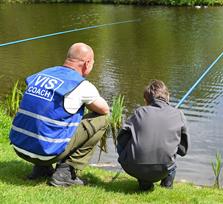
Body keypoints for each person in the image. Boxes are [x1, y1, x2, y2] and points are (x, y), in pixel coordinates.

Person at [9, 42, 110, 187]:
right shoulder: (81, 85)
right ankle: (65, 173)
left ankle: (41, 169)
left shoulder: (42, 73)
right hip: (46, 153)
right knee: (102, 120)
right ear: (87, 63)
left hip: (20, 147)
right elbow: (104, 110)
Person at [116, 80, 189, 191]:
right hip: (163, 169)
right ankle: (167, 186)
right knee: (171, 156)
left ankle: (145, 182)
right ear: (167, 97)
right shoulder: (179, 114)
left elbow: (121, 139)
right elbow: (183, 150)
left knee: (128, 145)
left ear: (146, 100)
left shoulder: (139, 112)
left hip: (133, 167)